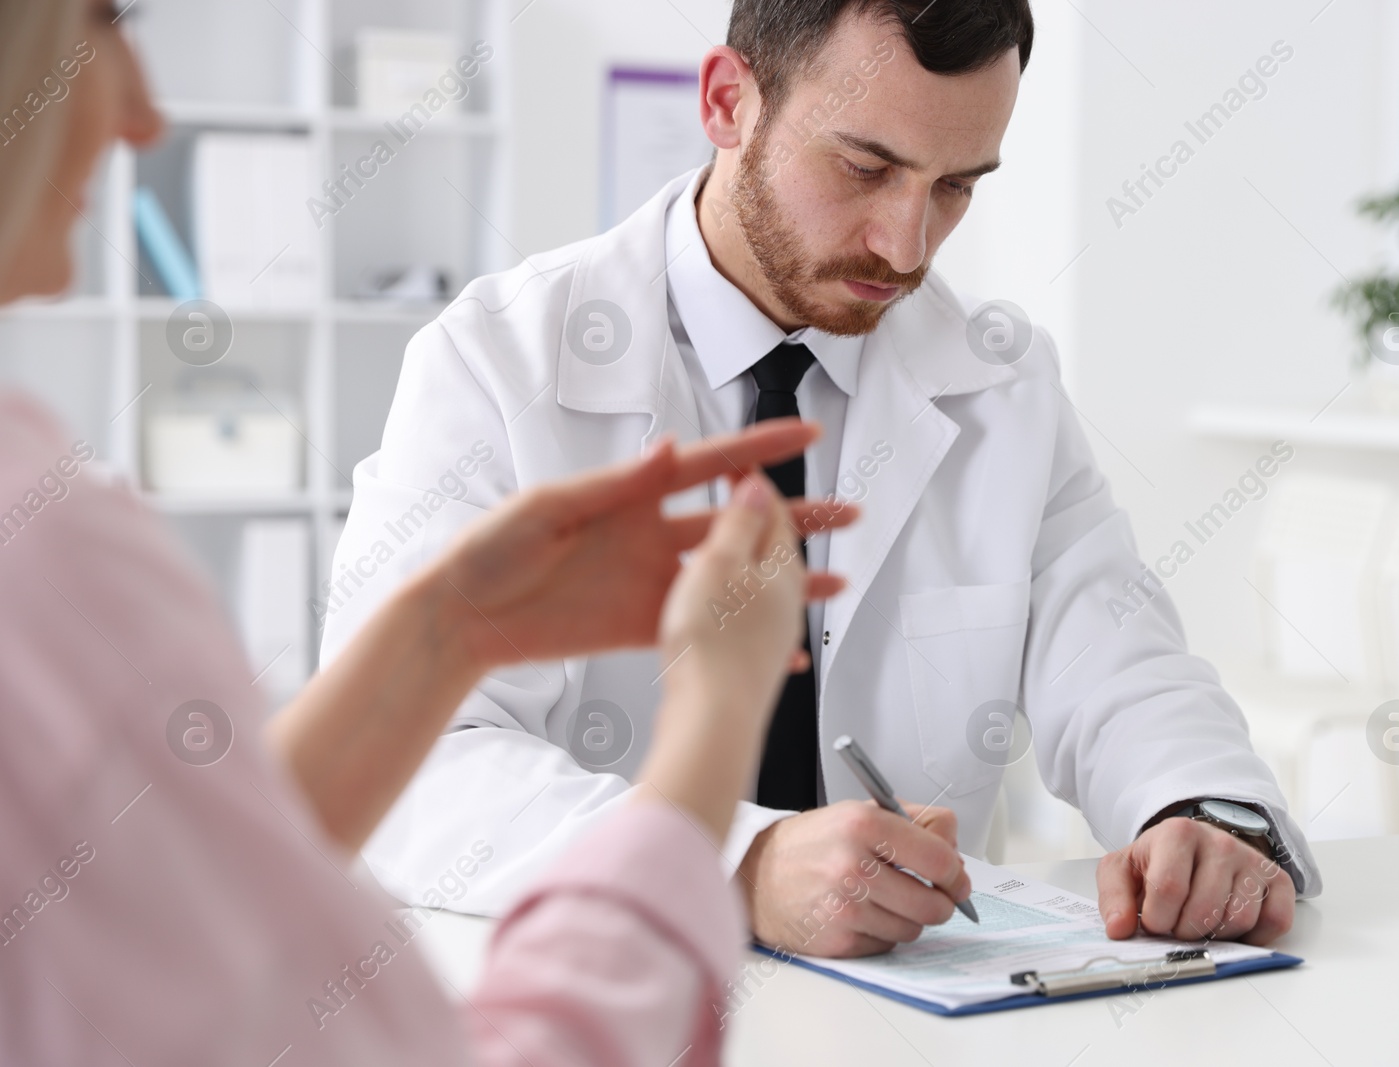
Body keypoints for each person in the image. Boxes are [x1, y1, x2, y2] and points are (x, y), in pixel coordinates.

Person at [325, 0, 1322, 960]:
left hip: (904, 1009)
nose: (905, 245)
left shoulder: (1000, 377)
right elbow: (409, 757)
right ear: (727, 102)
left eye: (955, 186)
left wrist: (1198, 811)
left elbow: (1115, 654)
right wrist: (732, 864)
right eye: (865, 166)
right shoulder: (497, 362)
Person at [0, 1, 866, 1063]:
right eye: (102, 22)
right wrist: (717, 727)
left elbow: (165, 886)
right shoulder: (43, 548)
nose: (139, 114)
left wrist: (448, 628)